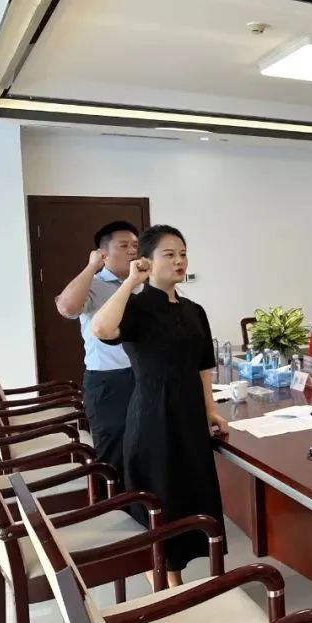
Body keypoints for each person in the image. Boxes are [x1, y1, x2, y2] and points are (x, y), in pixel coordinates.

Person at [91, 225, 225, 587]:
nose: (179, 261)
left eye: (183, 254)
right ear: (146, 261)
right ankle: (168, 585)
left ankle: (183, 579)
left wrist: (209, 409)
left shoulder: (194, 310)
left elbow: (203, 366)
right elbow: (101, 329)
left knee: (189, 497)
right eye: (169, 254)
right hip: (152, 418)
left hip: (189, 419)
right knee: (161, 498)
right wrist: (129, 283)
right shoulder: (135, 307)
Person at [55, 221, 140, 489]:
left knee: (144, 448)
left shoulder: (141, 284)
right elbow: (67, 308)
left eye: (135, 246)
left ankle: (144, 505)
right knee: (114, 454)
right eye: (124, 246)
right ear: (103, 253)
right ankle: (113, 507)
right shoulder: (93, 284)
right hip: (109, 382)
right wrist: (91, 267)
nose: (132, 251)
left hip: (144, 377)